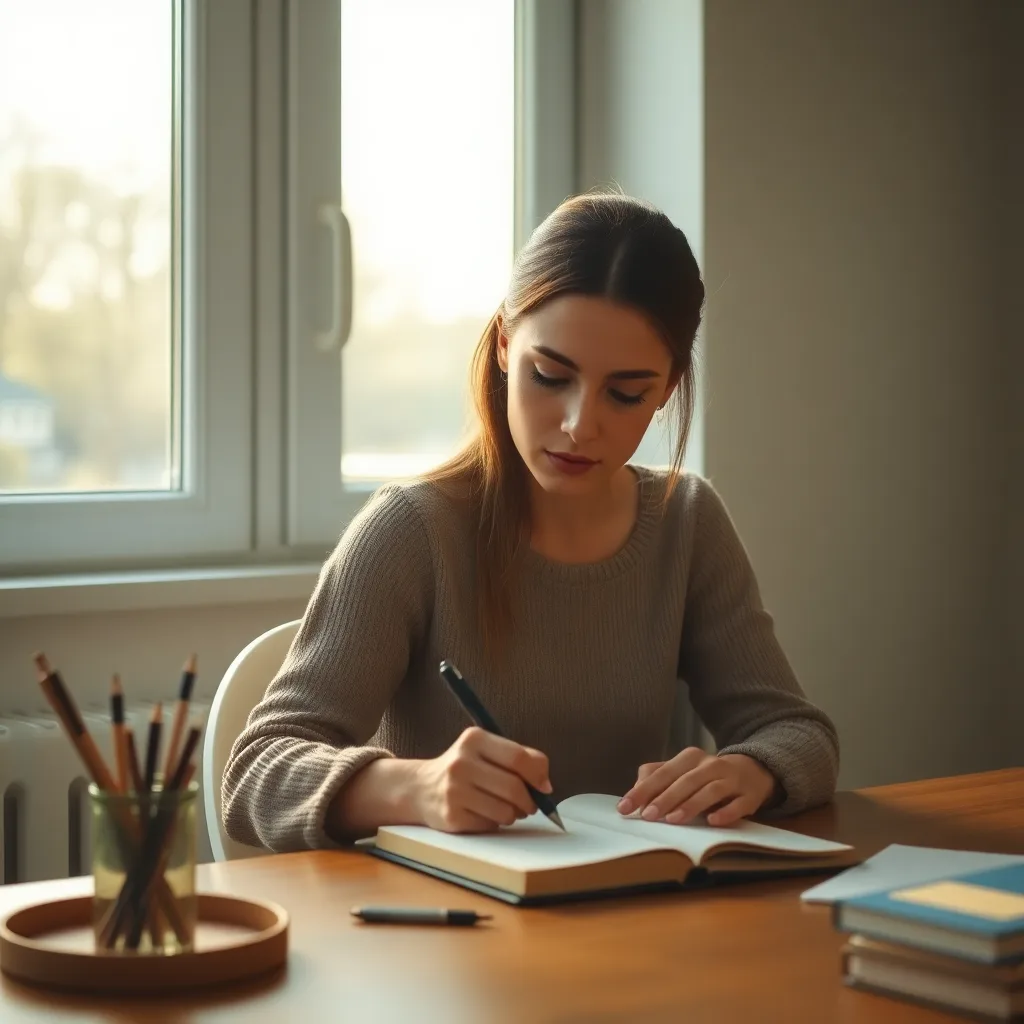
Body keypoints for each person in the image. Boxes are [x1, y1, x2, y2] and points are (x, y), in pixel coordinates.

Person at [222, 192, 839, 853]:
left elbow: (799, 735)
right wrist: (418, 789)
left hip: (634, 922)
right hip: (446, 931)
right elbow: (256, 774)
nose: (580, 425)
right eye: (550, 376)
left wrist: (748, 771)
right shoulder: (412, 531)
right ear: (505, 346)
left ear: (666, 388)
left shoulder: (686, 523)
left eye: (626, 393)